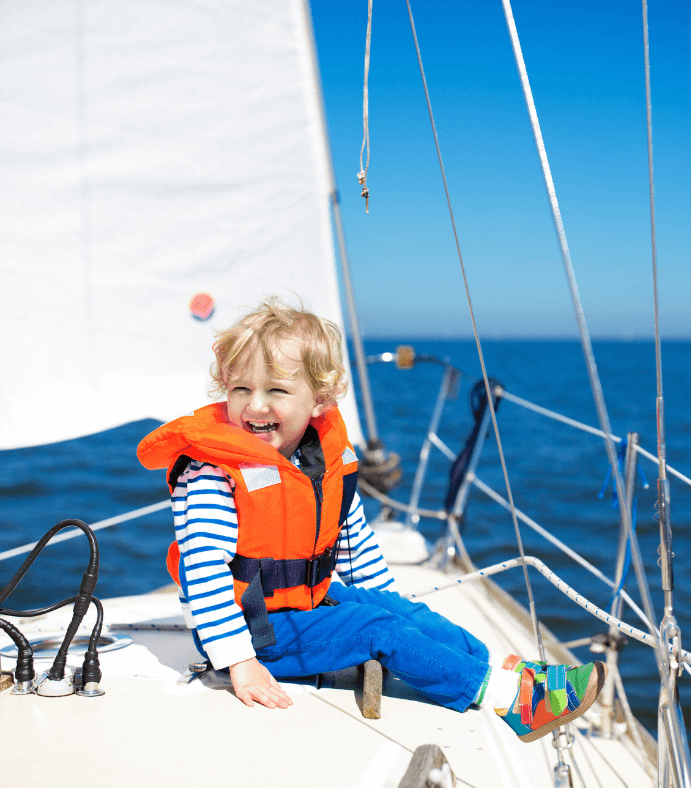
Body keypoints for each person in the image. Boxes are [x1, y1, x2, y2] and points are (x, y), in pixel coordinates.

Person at [137, 296, 605, 742]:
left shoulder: (321, 460)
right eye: (241, 389)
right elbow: (203, 569)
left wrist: (385, 601)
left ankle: (506, 671)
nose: (255, 406)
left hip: (303, 606)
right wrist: (238, 661)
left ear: (319, 399)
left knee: (399, 611)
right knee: (378, 631)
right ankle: (512, 702)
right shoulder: (212, 471)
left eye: (276, 390)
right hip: (252, 632)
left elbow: (354, 540)